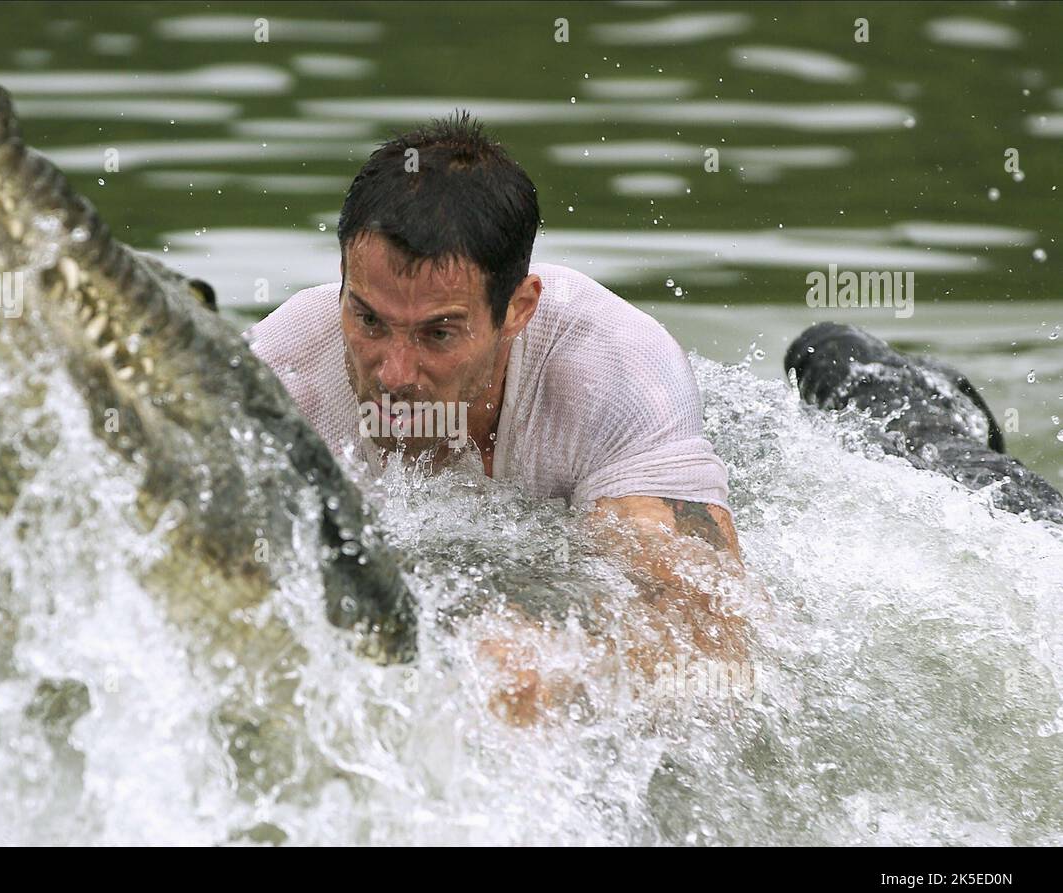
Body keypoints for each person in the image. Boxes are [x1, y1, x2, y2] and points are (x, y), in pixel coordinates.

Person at [244, 112, 752, 723]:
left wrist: (572, 668)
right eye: (369, 320)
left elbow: (719, 651)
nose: (393, 374)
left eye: (439, 333)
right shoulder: (279, 377)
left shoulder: (615, 371)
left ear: (518, 309)